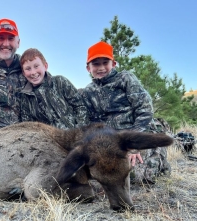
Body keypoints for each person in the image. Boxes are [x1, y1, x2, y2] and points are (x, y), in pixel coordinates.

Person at [79, 41, 170, 184]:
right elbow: (90, 124)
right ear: (88, 68)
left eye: (105, 62)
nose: (101, 67)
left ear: (113, 64)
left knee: (137, 177)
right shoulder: (88, 92)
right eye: (96, 63)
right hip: (112, 144)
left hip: (135, 137)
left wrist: (134, 146)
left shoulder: (125, 79)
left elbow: (145, 110)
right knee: (99, 176)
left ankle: (158, 155)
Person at [19, 48, 87, 129]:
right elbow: (28, 125)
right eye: (28, 69)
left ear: (45, 66)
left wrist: (80, 130)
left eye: (36, 66)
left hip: (75, 135)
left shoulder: (60, 81)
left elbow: (80, 106)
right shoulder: (25, 97)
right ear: (23, 73)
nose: (33, 72)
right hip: (48, 140)